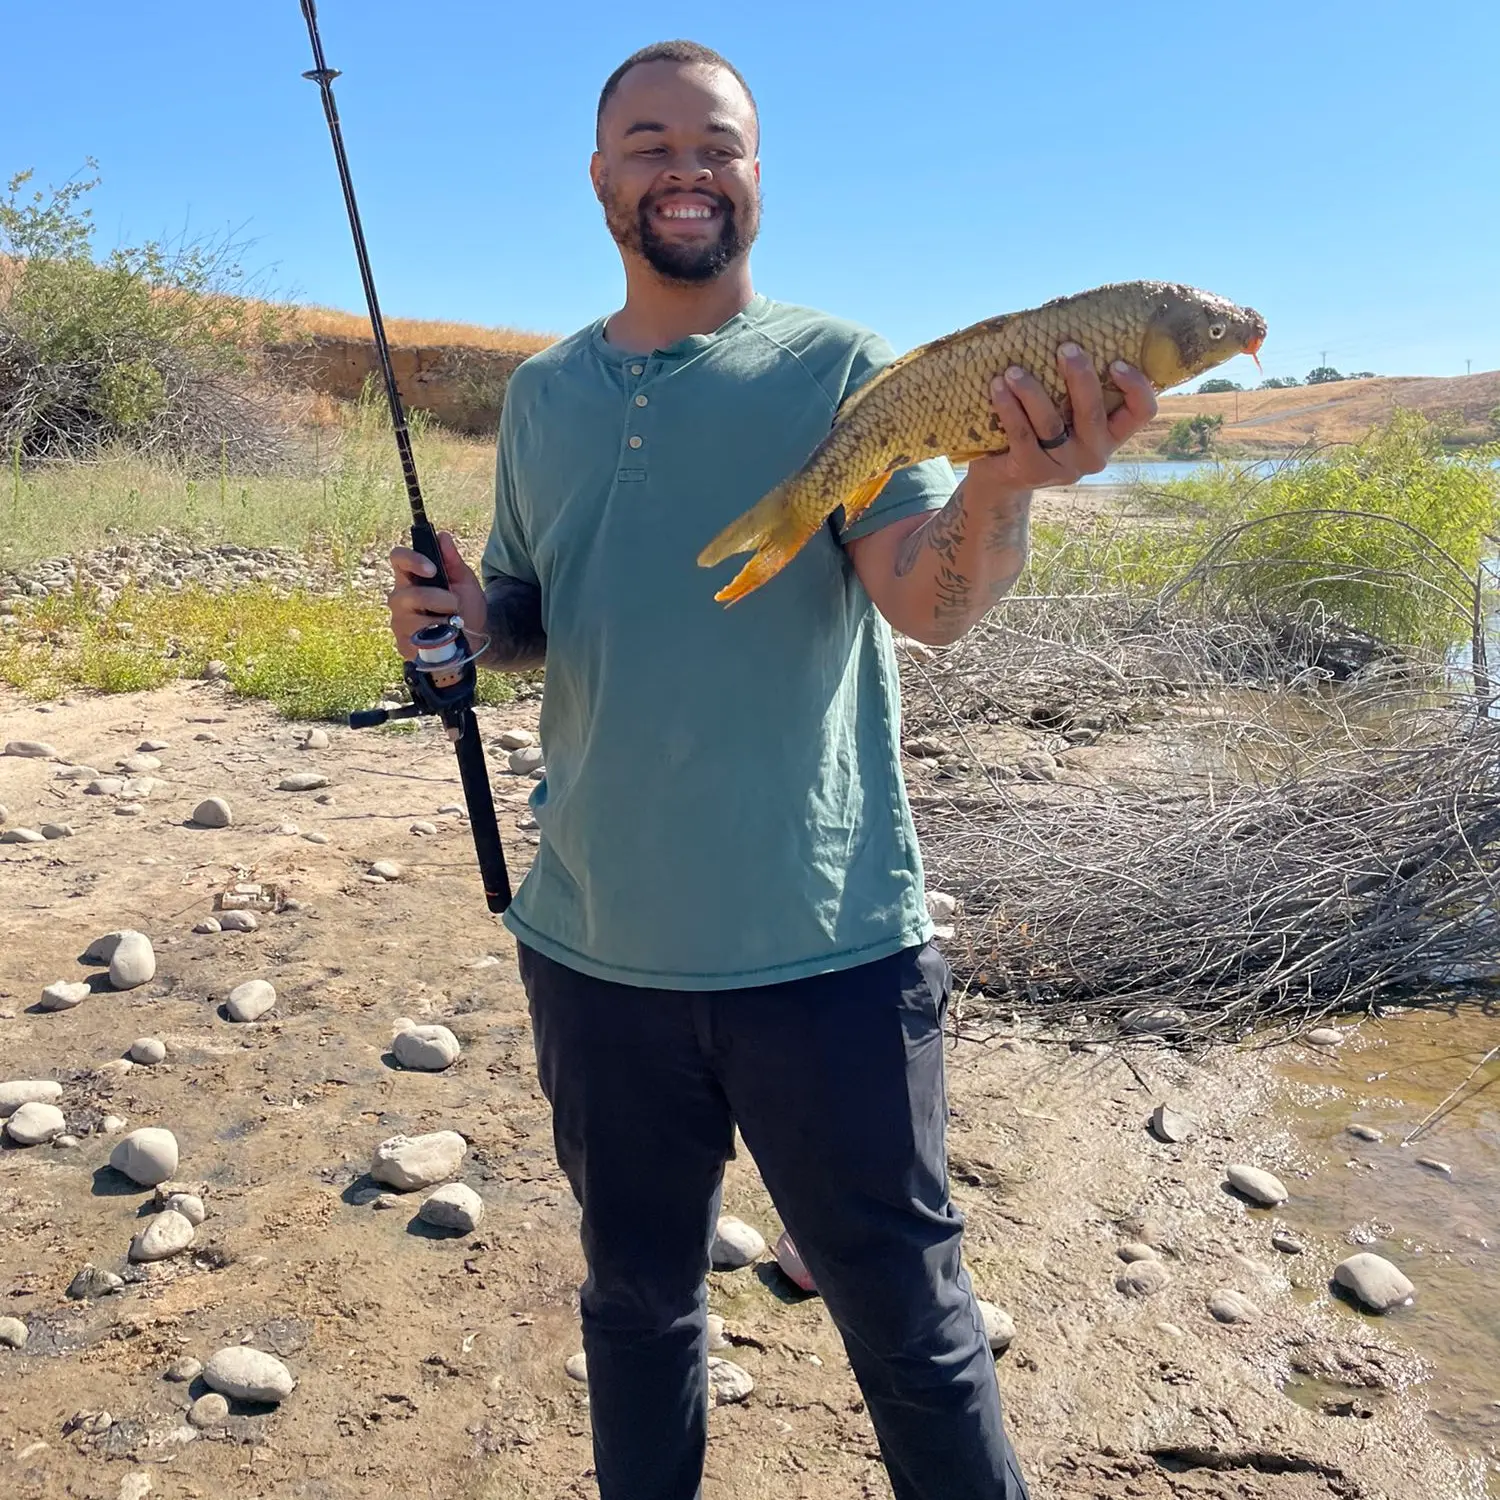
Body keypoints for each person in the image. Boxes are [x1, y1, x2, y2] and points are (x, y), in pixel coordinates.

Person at [386, 39, 1157, 1500]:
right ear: (599, 175)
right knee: (634, 1309)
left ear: (758, 175)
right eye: (651, 141)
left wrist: (999, 487)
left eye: (718, 143)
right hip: (593, 947)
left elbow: (925, 611)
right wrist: (460, 623)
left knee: (913, 1335)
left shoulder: (847, 370)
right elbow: (534, 616)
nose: (687, 166)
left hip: (826, 947)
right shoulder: (543, 396)